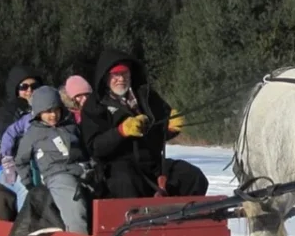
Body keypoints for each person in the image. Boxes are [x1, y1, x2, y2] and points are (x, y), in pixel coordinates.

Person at [81, 48, 208, 199]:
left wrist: (171, 128)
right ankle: (138, 221)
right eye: (116, 74)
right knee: (126, 183)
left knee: (193, 177)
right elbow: (95, 147)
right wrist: (121, 131)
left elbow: (160, 129)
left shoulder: (146, 95)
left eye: (125, 73)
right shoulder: (94, 105)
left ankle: (182, 218)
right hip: (117, 167)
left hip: (152, 164)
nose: (121, 79)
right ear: (105, 76)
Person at [14, 85, 89, 234]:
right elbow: (21, 160)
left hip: (80, 169)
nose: (53, 115)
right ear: (38, 112)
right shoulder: (33, 133)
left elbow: (83, 148)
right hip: (56, 175)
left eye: (56, 110)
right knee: (75, 205)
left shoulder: (70, 126)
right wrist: (29, 183)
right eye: (48, 111)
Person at [0, 65, 42, 210]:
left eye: (34, 86)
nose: (29, 90)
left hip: (41, 163)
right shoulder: (8, 112)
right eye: (24, 86)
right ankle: (24, 228)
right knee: (26, 187)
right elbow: (7, 140)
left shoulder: (46, 109)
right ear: (16, 89)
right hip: (10, 167)